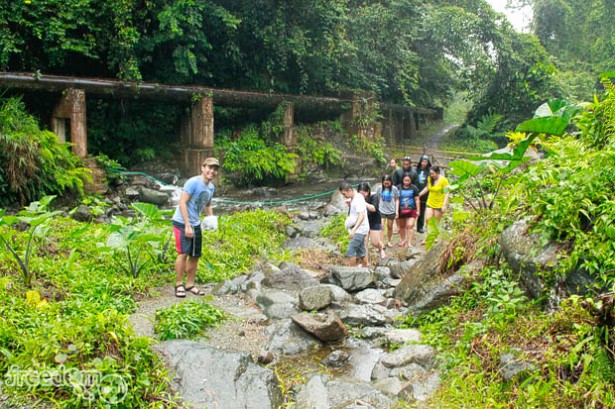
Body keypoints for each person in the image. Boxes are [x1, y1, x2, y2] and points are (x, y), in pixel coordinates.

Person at [171, 157, 220, 297]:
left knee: (195, 255)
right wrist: (187, 225)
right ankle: (179, 284)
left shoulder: (211, 188)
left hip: (196, 223)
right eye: (209, 168)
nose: (212, 171)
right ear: (203, 168)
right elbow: (182, 203)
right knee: (183, 253)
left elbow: (207, 204)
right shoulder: (193, 182)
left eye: (215, 169)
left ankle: (190, 284)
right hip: (182, 222)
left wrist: (211, 220)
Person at [339, 181, 370, 267]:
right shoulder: (355, 198)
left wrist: (354, 230)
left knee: (350, 251)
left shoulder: (358, 199)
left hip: (359, 230)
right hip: (361, 229)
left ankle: (353, 271)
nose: (344, 196)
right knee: (362, 252)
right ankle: (365, 269)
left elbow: (361, 215)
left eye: (344, 194)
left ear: (349, 190)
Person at [418, 165, 449, 245]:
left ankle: (434, 237)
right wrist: (419, 195)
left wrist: (444, 205)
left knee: (435, 221)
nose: (431, 175)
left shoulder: (444, 180)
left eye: (433, 174)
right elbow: (427, 188)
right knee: (428, 219)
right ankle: (427, 237)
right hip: (430, 202)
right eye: (430, 174)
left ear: (438, 172)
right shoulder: (430, 179)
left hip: (439, 203)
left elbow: (446, 193)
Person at [358, 182, 387, 261]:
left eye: (364, 193)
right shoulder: (357, 198)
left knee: (375, 242)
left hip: (374, 220)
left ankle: (381, 249)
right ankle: (365, 263)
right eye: (360, 194)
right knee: (364, 243)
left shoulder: (374, 196)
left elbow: (373, 208)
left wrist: (363, 202)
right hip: (363, 221)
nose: (363, 196)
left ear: (368, 191)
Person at [375, 174, 399, 248]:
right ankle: (381, 242)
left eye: (388, 183)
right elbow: (378, 198)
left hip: (391, 210)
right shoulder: (379, 188)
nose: (386, 185)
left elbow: (397, 199)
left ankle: (389, 241)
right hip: (382, 210)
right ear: (382, 182)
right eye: (385, 183)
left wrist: (397, 211)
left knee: (390, 227)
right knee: (381, 226)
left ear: (391, 182)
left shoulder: (394, 189)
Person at [396, 174, 420, 248]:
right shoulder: (398, 188)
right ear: (402, 180)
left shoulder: (414, 188)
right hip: (401, 209)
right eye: (405, 180)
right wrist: (396, 210)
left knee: (410, 225)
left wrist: (418, 210)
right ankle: (403, 240)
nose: (406, 182)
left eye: (408, 180)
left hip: (412, 209)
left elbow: (417, 199)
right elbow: (396, 199)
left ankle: (409, 242)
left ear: (411, 180)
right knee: (402, 226)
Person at [415, 155, 432, 233]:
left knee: (422, 211)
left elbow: (428, 185)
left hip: (424, 194)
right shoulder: (416, 170)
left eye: (425, 162)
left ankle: (420, 227)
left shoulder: (429, 172)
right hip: (415, 192)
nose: (424, 163)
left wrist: (420, 194)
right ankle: (409, 226)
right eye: (423, 161)